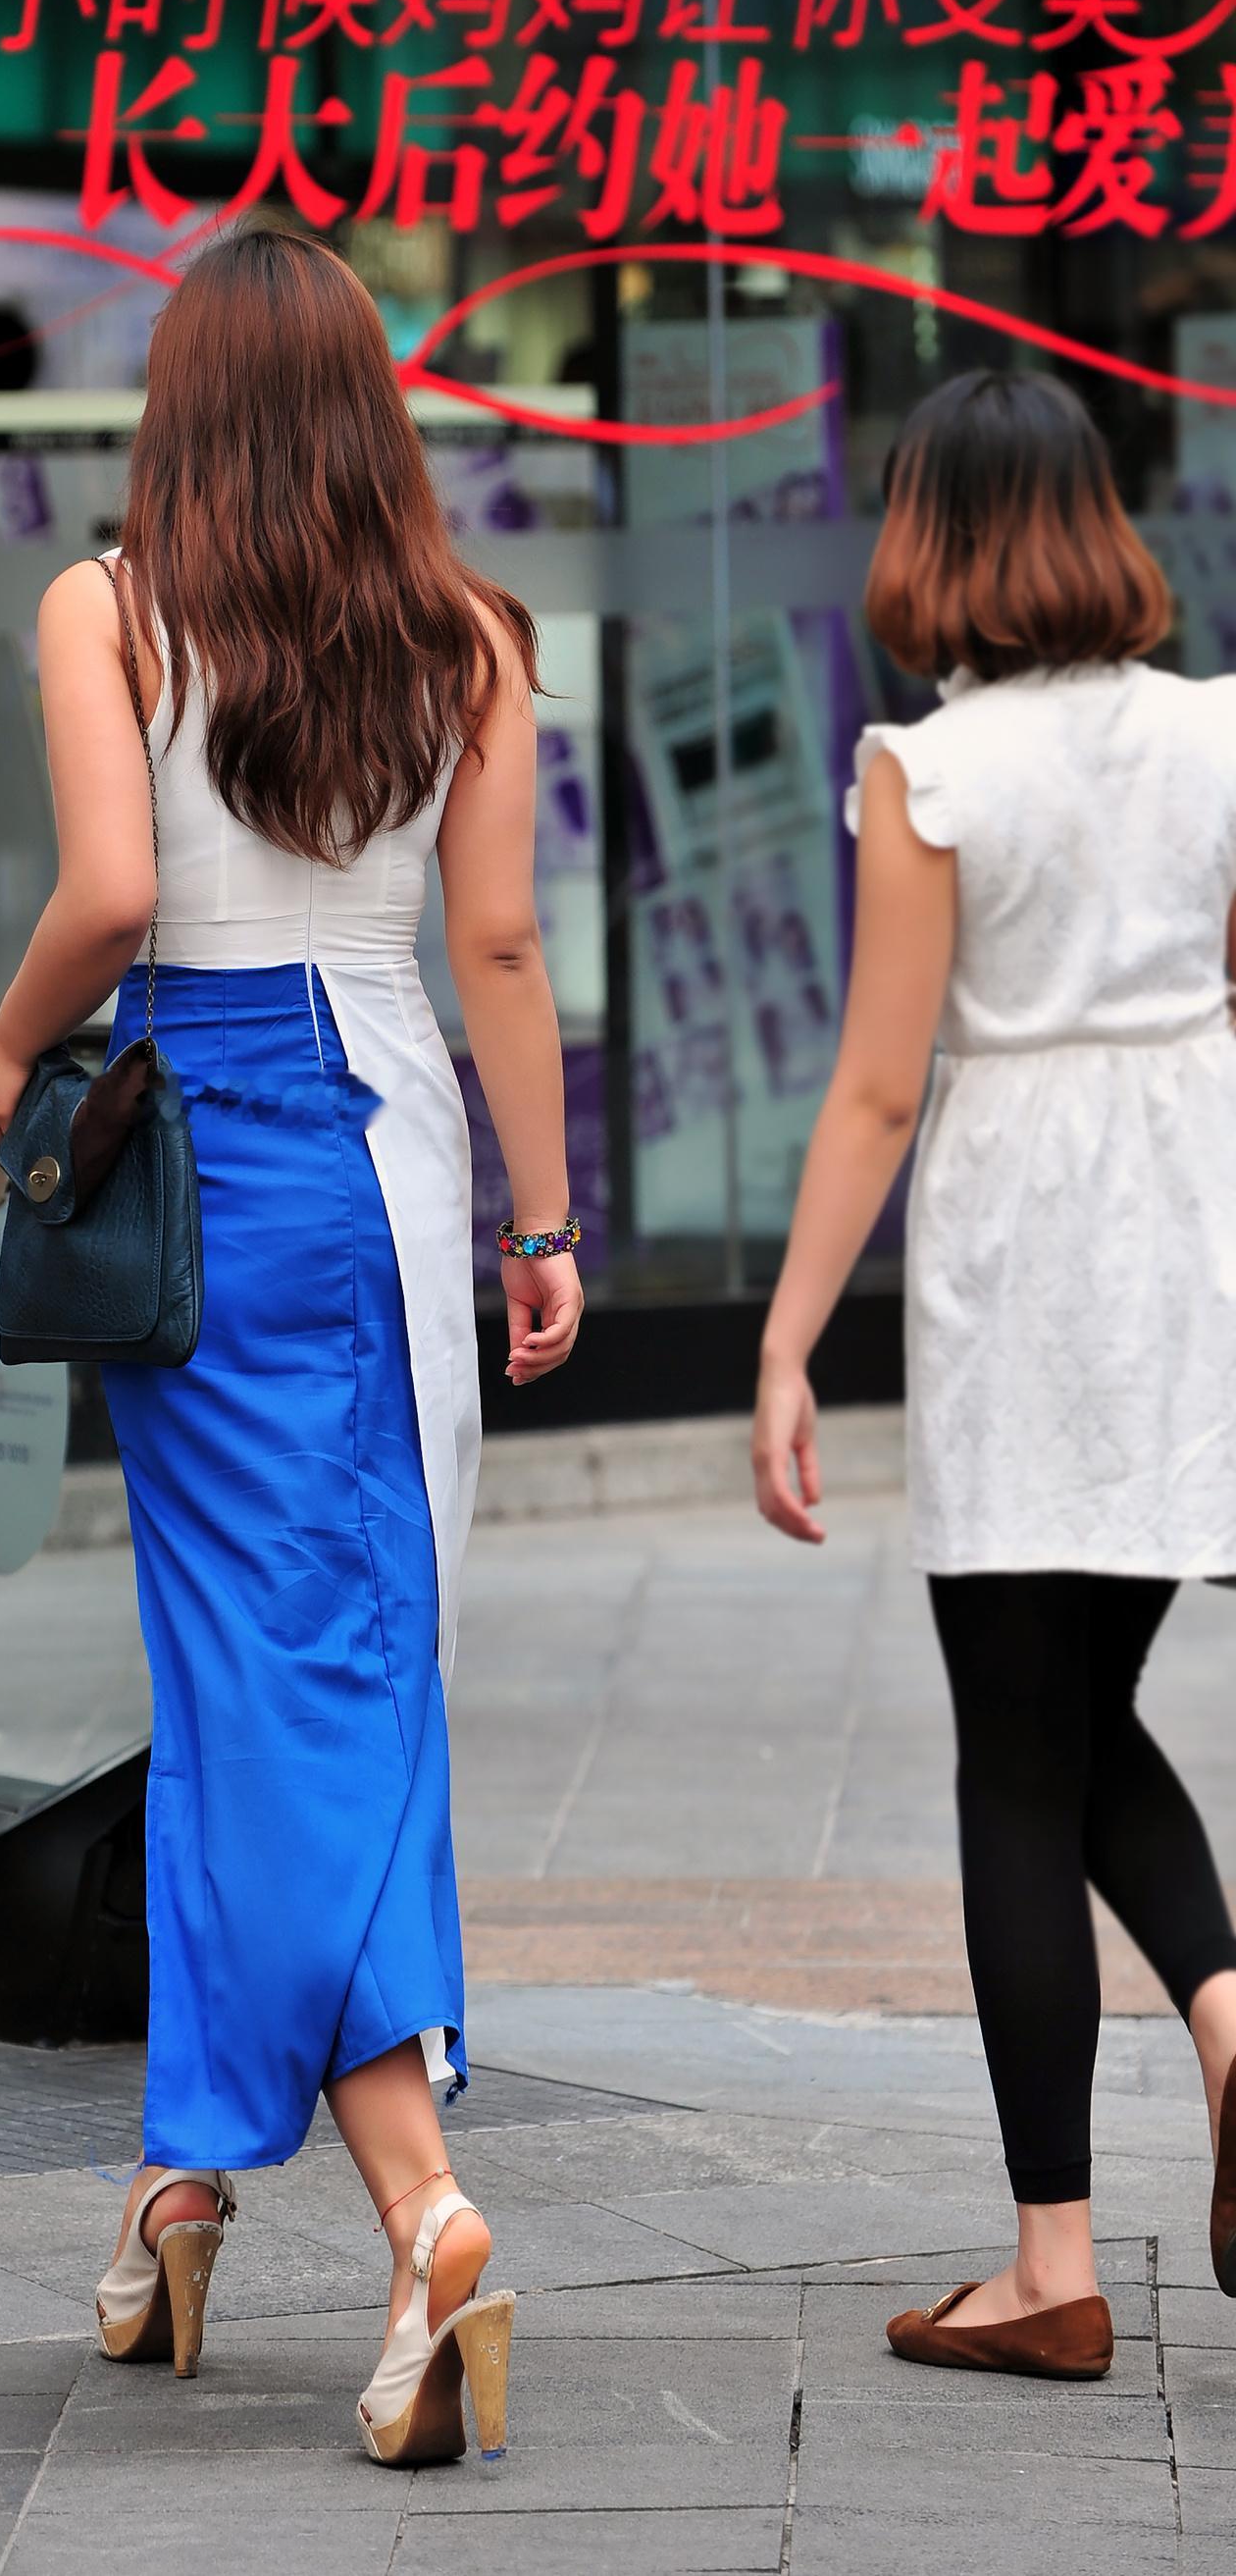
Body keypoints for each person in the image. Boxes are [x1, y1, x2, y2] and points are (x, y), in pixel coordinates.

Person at [0, 226, 583, 2464]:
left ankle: (418, 2202)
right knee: (322, 1661)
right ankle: (178, 2185)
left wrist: (0, 1058)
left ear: (180, 402)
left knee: (260, 1672)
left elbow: (114, 897)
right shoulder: (470, 633)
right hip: (394, 1145)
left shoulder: (106, 608)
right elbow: (494, 940)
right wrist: (545, 1209)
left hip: (199, 1146)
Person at [752, 367, 1236, 2382]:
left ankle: (1049, 2258)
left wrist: (782, 1337)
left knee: (1011, 1750)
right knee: (1084, 1694)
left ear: (933, 535)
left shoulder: (924, 769)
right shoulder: (1220, 731)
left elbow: (877, 1081)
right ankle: (1226, 2020)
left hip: (1020, 1235)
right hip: (1189, 1214)